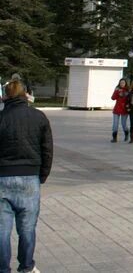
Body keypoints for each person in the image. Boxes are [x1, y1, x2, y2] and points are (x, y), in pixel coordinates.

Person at [0, 80, 52, 273]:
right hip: (30, 177)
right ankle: (26, 266)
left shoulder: (1, 117)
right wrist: (42, 175)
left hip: (2, 177)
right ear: (26, 95)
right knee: (27, 228)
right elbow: (47, 149)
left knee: (2, 231)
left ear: (5, 96)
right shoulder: (38, 117)